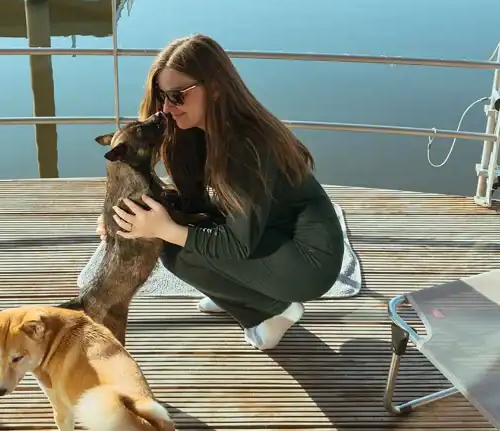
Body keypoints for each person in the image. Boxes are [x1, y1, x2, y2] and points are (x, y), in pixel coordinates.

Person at [107, 34, 344, 352]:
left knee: (176, 247)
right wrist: (120, 216)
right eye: (162, 96)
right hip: (266, 230)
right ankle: (239, 293)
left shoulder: (246, 147)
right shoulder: (194, 130)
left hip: (308, 261)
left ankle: (275, 311)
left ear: (215, 87)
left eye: (177, 96)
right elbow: (193, 202)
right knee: (174, 235)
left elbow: (235, 243)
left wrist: (164, 228)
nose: (166, 107)